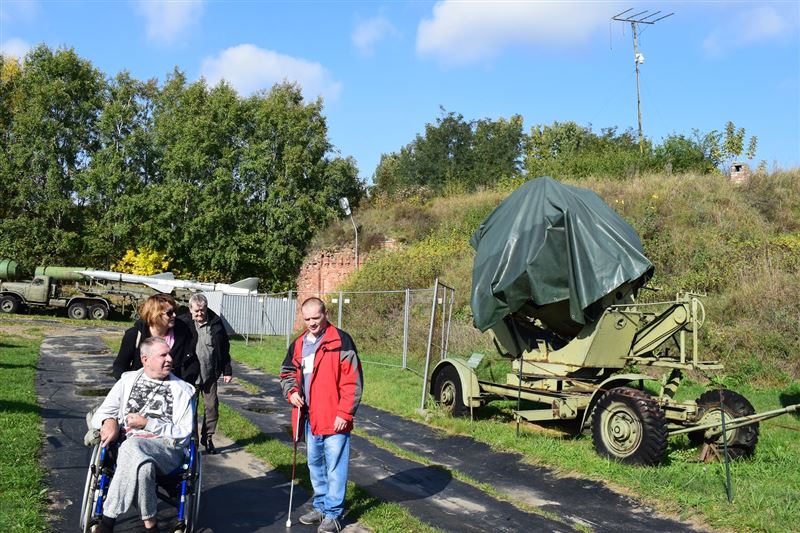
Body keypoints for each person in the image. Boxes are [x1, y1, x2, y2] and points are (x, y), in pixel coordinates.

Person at [90, 336, 196, 533]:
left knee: (132, 446)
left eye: (169, 354)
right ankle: (151, 525)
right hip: (129, 448)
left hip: (167, 450)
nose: (170, 359)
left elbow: (184, 434)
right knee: (143, 467)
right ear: (145, 359)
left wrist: (148, 424)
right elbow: (101, 413)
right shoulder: (127, 381)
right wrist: (109, 421)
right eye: (163, 355)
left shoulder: (183, 390)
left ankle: (107, 521)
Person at [279, 297, 363, 533]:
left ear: (326, 314)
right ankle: (321, 506)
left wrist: (344, 413)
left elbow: (352, 381)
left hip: (335, 417)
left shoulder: (341, 341)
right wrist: (292, 393)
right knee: (315, 464)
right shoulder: (298, 344)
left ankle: (333, 514)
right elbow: (287, 372)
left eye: (316, 317)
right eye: (307, 319)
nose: (312, 323)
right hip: (309, 418)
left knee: (335, 467)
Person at [178, 293, 232, 454]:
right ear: (190, 309)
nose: (200, 314)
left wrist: (227, 370)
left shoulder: (216, 323)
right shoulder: (183, 323)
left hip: (210, 374)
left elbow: (224, 349)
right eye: (196, 311)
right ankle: (192, 441)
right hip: (189, 376)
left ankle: (207, 438)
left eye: (202, 310)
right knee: (190, 410)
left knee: (212, 407)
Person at [113, 294, 199, 385]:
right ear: (155, 315)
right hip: (141, 388)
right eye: (169, 313)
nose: (174, 315)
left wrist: (185, 384)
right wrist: (128, 385)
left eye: (174, 311)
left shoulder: (183, 332)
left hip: (173, 388)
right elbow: (120, 365)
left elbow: (192, 362)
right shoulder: (134, 335)